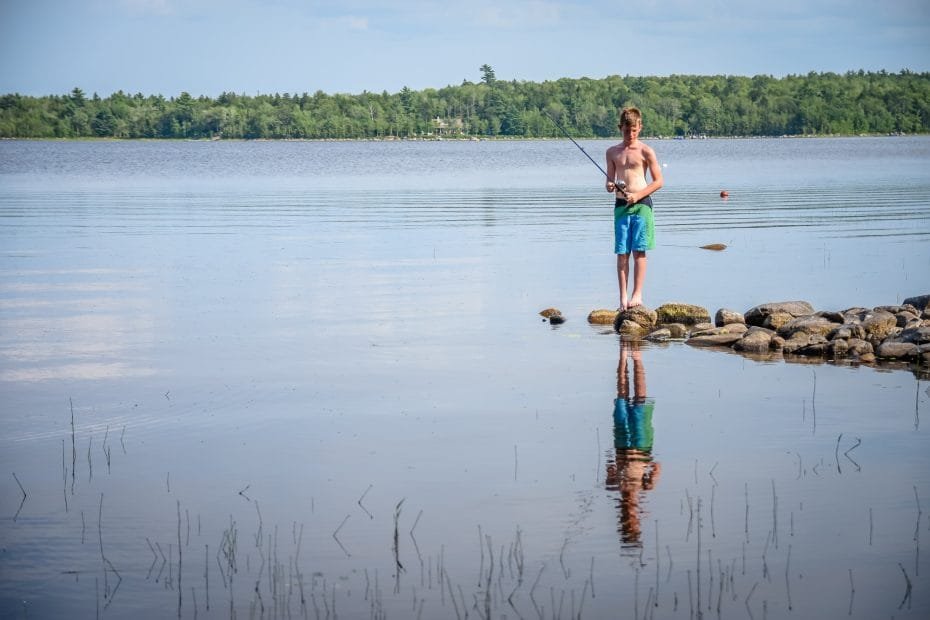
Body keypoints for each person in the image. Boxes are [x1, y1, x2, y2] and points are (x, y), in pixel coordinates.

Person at [605, 107, 664, 309]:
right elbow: (608, 182)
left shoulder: (646, 151)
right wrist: (610, 185)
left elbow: (658, 182)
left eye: (634, 130)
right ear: (620, 128)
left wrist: (638, 195)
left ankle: (637, 295)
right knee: (622, 253)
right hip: (621, 206)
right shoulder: (612, 152)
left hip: (642, 206)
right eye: (626, 131)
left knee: (639, 251)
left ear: (640, 128)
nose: (630, 135)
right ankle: (623, 298)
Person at [605, 340, 660, 548]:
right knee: (639, 398)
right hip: (642, 444)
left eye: (628, 520)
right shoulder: (644, 487)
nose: (630, 515)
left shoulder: (614, 487)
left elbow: (610, 467)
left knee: (622, 396)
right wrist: (650, 478)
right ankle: (636, 358)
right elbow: (658, 466)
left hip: (621, 444)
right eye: (633, 520)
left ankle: (624, 357)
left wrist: (613, 475)